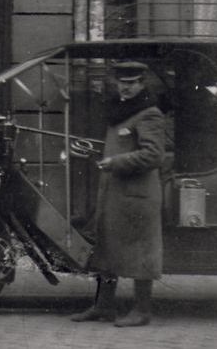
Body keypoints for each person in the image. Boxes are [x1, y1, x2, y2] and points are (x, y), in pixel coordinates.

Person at [69, 61, 167, 327]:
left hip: (137, 197)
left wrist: (115, 162)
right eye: (122, 82)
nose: (126, 87)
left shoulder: (149, 114)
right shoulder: (120, 111)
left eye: (132, 82)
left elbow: (153, 154)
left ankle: (142, 310)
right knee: (107, 249)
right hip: (117, 194)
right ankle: (103, 306)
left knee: (140, 253)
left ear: (141, 84)